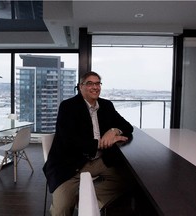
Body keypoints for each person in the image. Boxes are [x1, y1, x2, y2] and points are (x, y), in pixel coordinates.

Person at [43, 71, 134, 216]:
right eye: (90, 83)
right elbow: (69, 141)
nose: (95, 87)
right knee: (61, 209)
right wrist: (100, 143)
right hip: (69, 164)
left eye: (98, 83)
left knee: (130, 179)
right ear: (80, 87)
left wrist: (114, 130)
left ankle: (87, 201)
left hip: (99, 161)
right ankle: (81, 200)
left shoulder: (106, 105)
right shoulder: (68, 107)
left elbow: (128, 128)